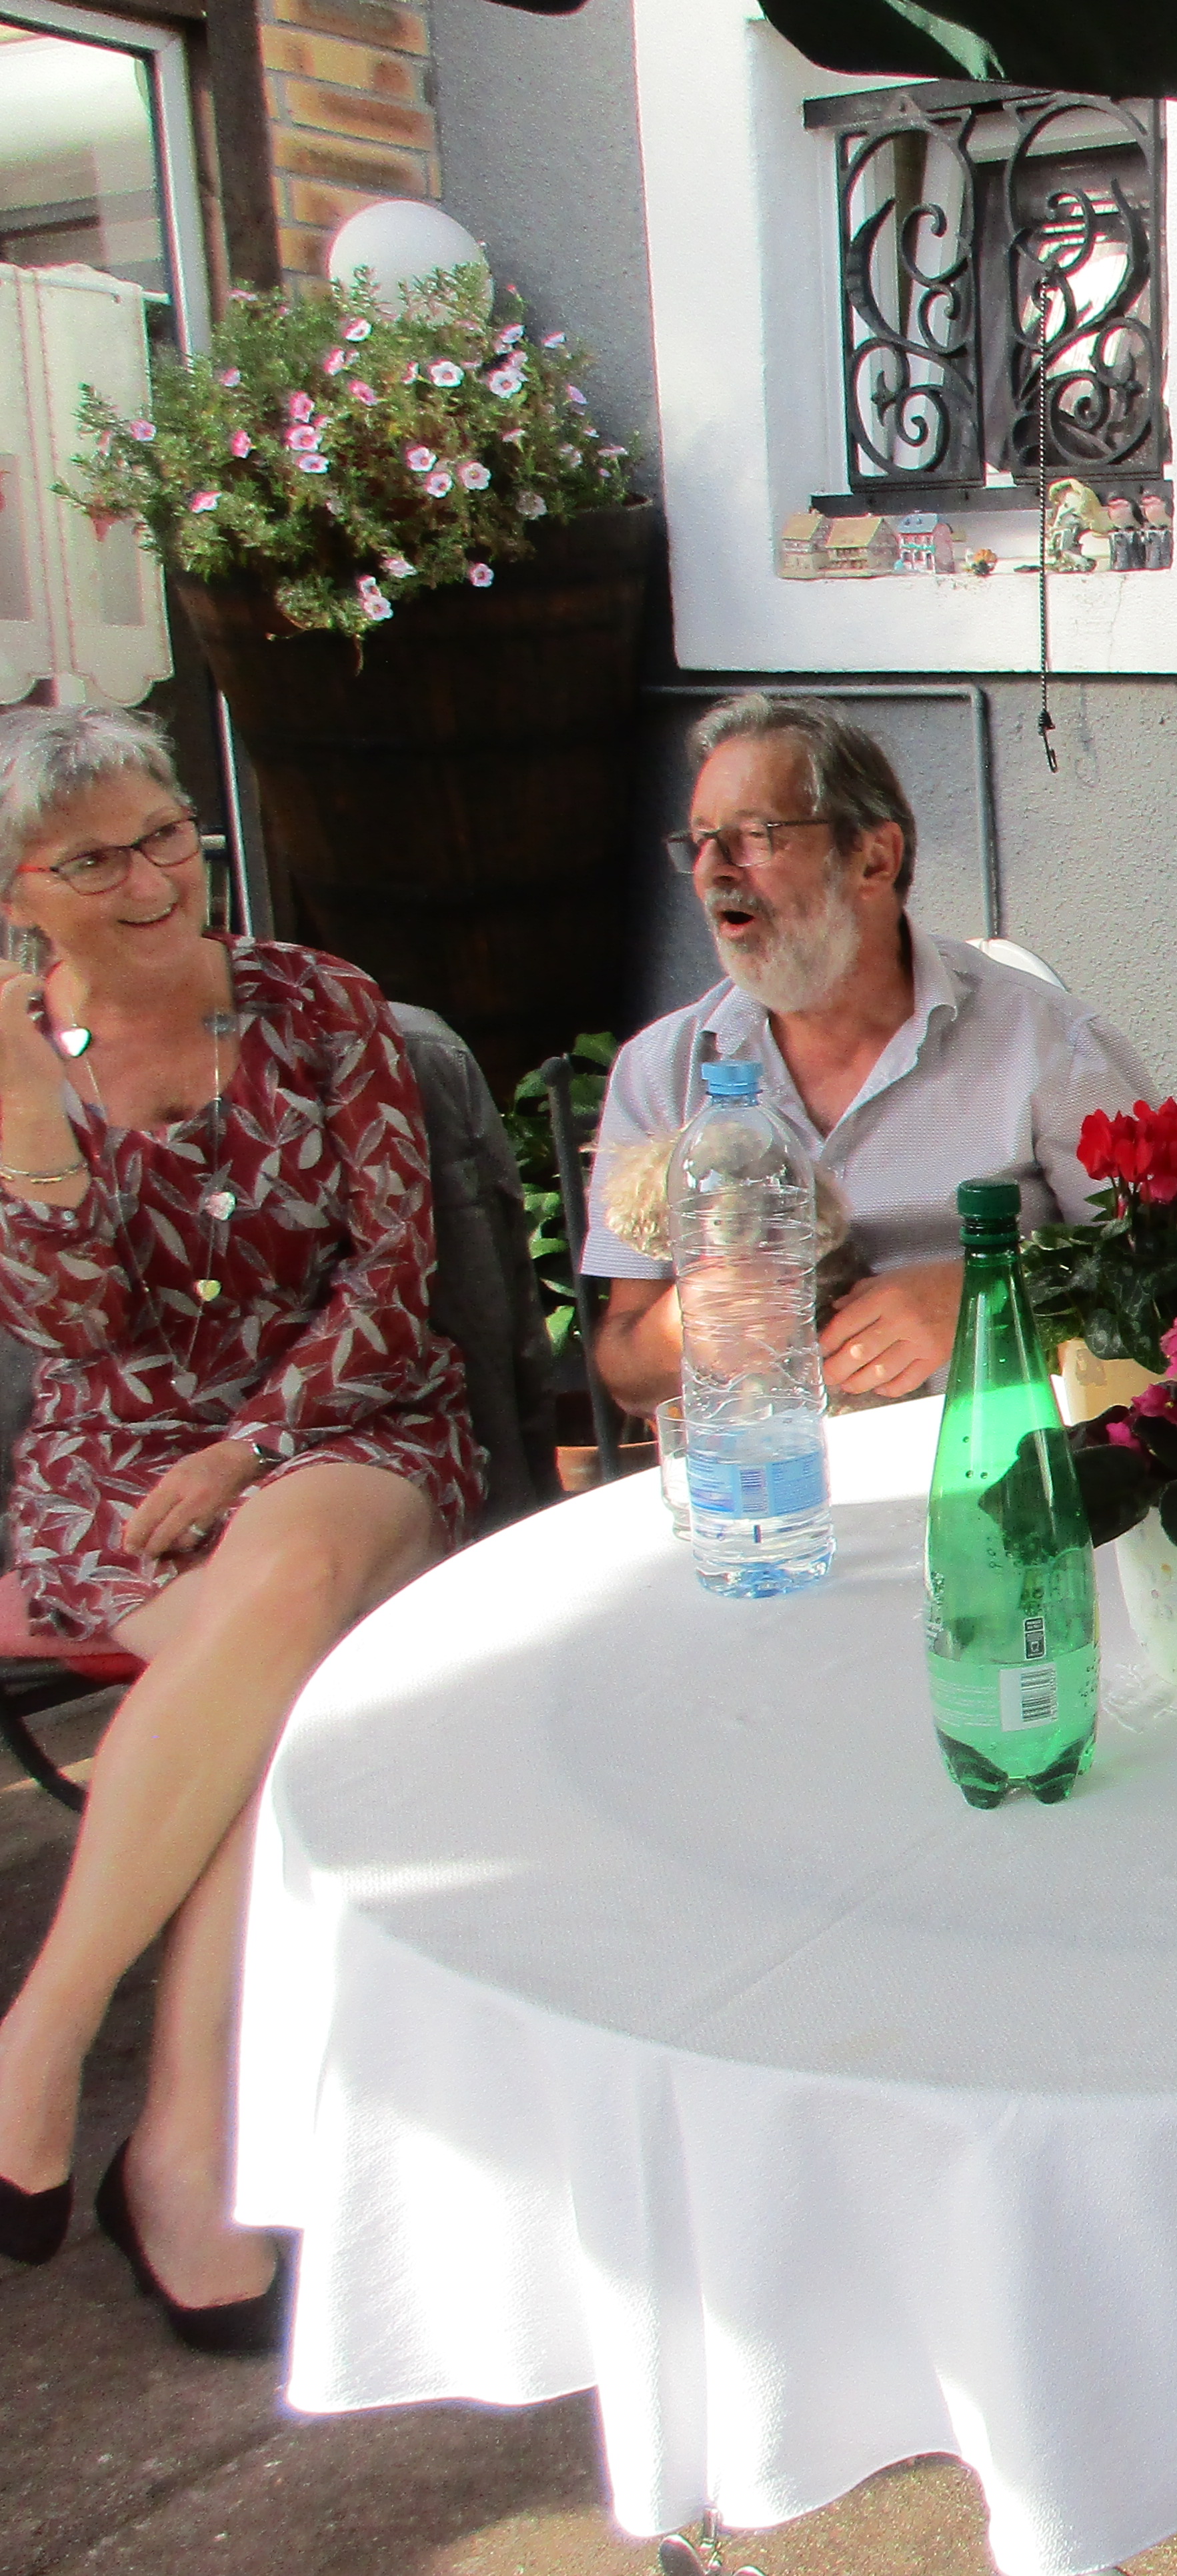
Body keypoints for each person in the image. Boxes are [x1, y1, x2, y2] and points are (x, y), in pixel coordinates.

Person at [0, 705, 481, 2349]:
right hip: (117, 1462)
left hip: (350, 1421)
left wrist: (249, 1450)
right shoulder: (17, 1060)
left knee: (290, 1565)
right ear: (20, 895)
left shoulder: (318, 1003)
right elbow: (72, 1332)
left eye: (163, 837)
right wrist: (24, 1107)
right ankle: (184, 2148)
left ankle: (44, 2036)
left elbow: (394, 1280)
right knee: (276, 1672)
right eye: (93, 862)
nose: (150, 881)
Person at [584, 694, 1156, 1413]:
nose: (714, 871)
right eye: (701, 842)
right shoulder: (663, 1068)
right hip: (768, 1464)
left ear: (874, 858)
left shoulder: (1051, 1047)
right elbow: (625, 1374)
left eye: (755, 837)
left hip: (1001, 1450)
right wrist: (686, 1325)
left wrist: (995, 1296)